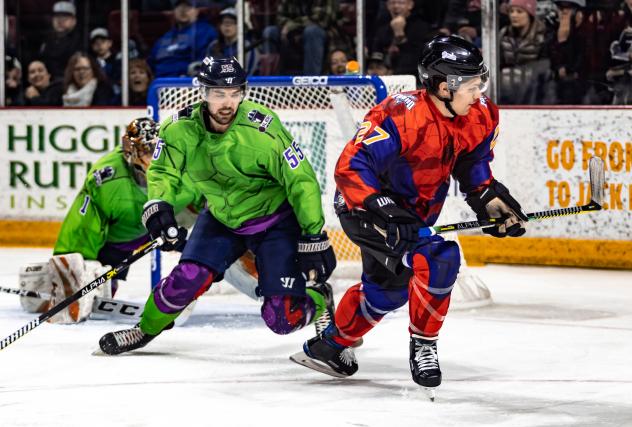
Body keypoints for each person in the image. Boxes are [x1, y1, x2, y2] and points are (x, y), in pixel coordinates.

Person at [291, 35, 528, 393]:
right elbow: (352, 168)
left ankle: (330, 346)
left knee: (387, 292)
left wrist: (493, 204)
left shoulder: (481, 115)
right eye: (472, 86)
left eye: (481, 84)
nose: (479, 93)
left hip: (412, 216)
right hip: (363, 207)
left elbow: (474, 170)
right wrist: (387, 212)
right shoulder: (399, 113)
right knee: (439, 257)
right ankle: (425, 345)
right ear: (445, 86)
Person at [98, 56, 337, 355]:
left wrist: (313, 234)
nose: (227, 102)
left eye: (235, 93)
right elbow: (162, 170)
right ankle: (144, 329)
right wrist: (158, 204)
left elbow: (301, 181)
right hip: (222, 218)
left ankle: (318, 299)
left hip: (274, 222)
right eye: (218, 94)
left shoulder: (263, 128)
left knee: (281, 318)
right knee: (186, 279)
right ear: (203, 93)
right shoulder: (178, 128)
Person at [18, 118, 203, 323]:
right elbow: (83, 227)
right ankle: (54, 280)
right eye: (148, 151)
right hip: (120, 239)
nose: (156, 158)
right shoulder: (109, 179)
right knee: (100, 283)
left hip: (170, 222)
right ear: (131, 151)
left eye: (160, 150)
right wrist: (70, 267)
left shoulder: (188, 169)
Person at [498, 0, 551, 104]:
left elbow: (544, 68)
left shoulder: (543, 36)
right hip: (507, 91)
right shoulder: (503, 35)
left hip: (534, 93)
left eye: (519, 11)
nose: (514, 15)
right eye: (511, 11)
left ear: (529, 14)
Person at [148, 0, 218, 77]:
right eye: (179, 6)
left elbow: (210, 59)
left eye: (188, 6)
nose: (183, 10)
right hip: (159, 82)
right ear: (173, 11)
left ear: (196, 11)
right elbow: (151, 62)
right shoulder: (165, 37)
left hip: (187, 82)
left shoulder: (206, 31)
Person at [372, 0, 436, 76]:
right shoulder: (382, 27)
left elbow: (416, 60)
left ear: (410, 5)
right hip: (385, 77)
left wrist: (400, 35)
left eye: (400, 3)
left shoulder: (421, 27)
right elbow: (376, 55)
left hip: (412, 77)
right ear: (387, 5)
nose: (395, 6)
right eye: (392, 3)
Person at [205, 7, 260, 76]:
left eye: (231, 22)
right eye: (224, 22)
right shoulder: (213, 46)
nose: (227, 25)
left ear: (240, 26)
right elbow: (206, 69)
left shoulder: (248, 46)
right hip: (216, 85)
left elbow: (248, 74)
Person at [39, 1, 83, 80]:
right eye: (57, 17)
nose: (60, 21)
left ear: (74, 21)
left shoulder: (80, 41)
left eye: (65, 17)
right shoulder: (47, 39)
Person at [89, 28, 122, 96]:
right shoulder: (90, 63)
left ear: (110, 43)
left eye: (103, 42)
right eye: (96, 43)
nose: (99, 45)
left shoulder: (119, 61)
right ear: (92, 46)